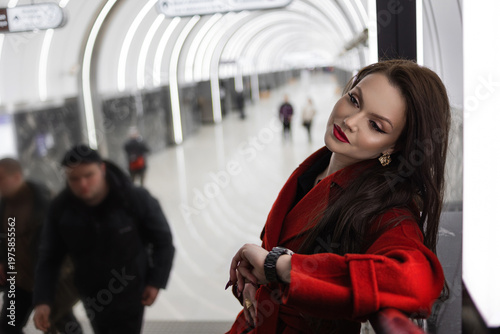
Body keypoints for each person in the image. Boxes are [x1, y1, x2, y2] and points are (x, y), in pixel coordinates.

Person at [225, 59, 450, 333]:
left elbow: (416, 279)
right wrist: (256, 278)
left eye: (376, 125)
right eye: (354, 100)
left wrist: (280, 267)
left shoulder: (387, 211)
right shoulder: (312, 171)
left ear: (395, 146)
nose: (350, 121)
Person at [33, 144, 175, 334]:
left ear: (102, 169)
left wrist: (156, 281)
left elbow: (163, 241)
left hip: (130, 287)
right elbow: (49, 257)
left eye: (89, 175)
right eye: (74, 179)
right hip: (91, 291)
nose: (83, 184)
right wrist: (43, 300)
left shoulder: (134, 198)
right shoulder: (61, 209)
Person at [0, 158, 81, 334]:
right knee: (8, 327)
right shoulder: (4, 205)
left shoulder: (43, 202)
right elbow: (5, 237)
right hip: (18, 284)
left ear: (17, 177)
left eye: (1, 178)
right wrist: (2, 261)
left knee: (63, 325)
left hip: (46, 282)